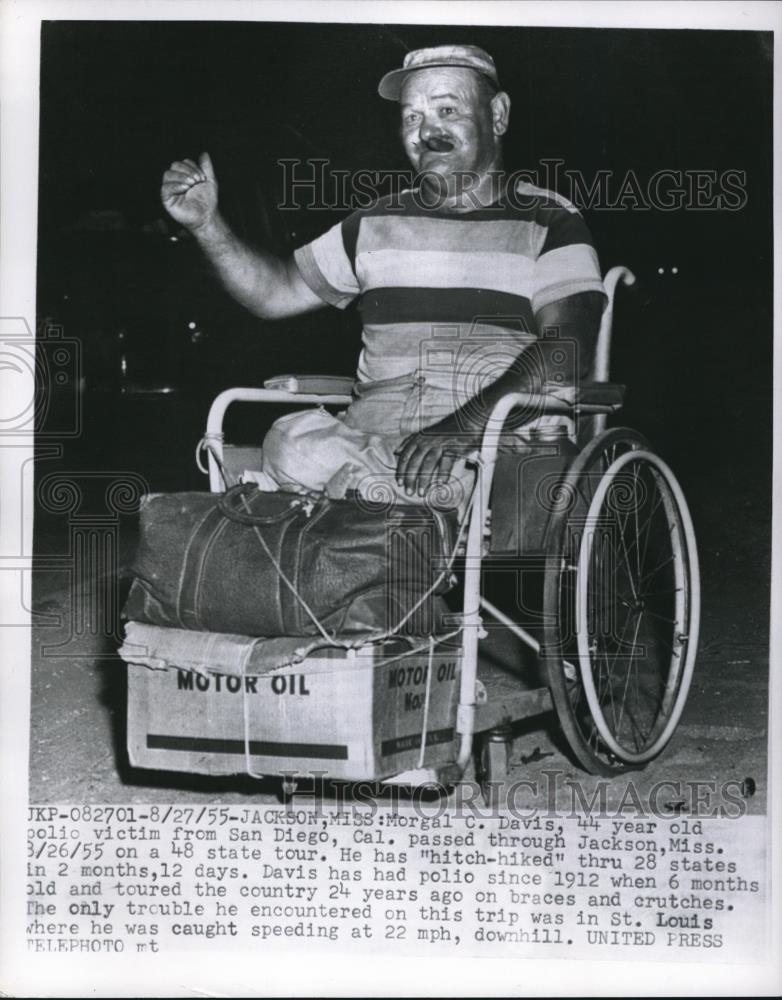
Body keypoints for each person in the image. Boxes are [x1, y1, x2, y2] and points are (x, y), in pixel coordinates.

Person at [160, 44, 606, 507]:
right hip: (374, 440)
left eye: (447, 109)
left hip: (484, 444)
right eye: (412, 117)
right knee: (289, 440)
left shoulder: (550, 220)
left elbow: (564, 350)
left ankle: (364, 497)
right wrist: (206, 226)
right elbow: (275, 292)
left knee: (489, 475)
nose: (427, 132)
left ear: (497, 114)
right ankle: (376, 491)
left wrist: (463, 427)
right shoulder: (372, 224)